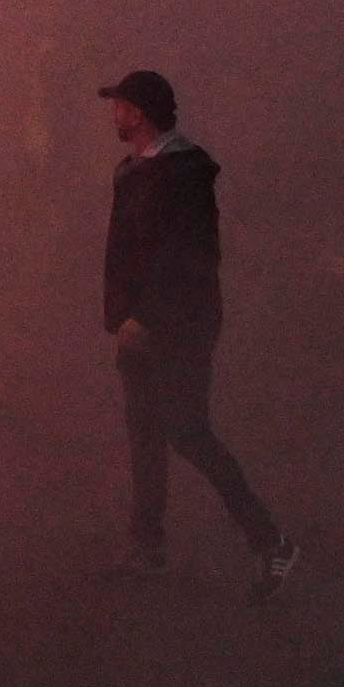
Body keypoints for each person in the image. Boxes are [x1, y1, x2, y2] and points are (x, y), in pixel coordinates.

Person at [97, 71, 291, 596]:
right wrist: (123, 318)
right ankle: (148, 549)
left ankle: (270, 541)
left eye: (120, 105)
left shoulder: (182, 175)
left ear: (139, 112)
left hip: (179, 327)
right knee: (146, 435)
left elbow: (189, 259)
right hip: (142, 327)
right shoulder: (134, 172)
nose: (114, 114)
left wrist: (147, 318)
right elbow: (126, 256)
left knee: (186, 430)